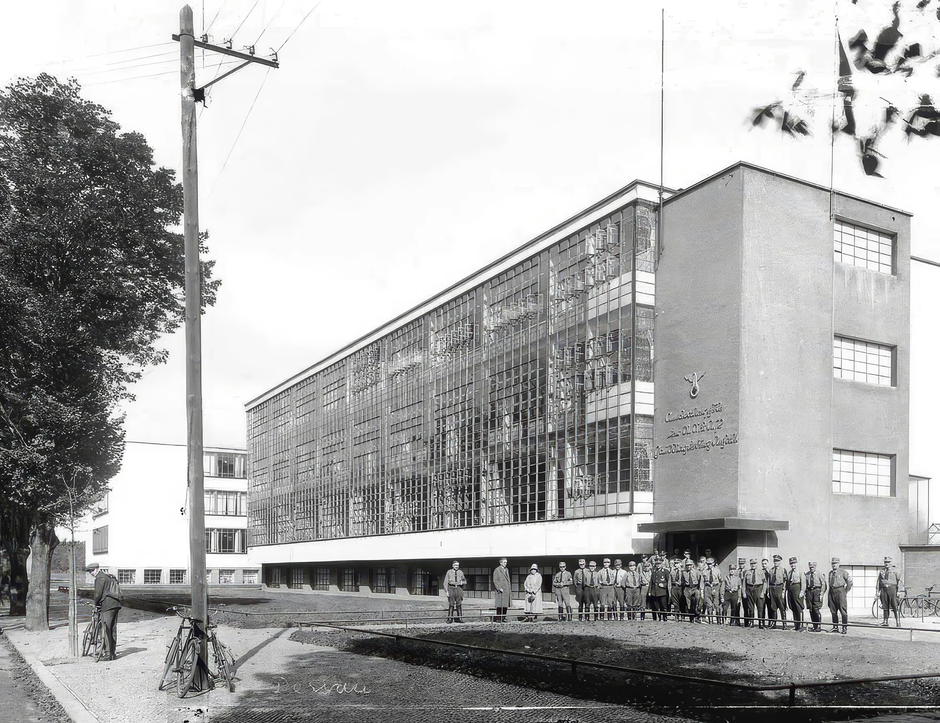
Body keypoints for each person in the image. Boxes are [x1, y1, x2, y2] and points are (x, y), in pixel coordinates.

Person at [88, 563, 121, 661]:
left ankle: (107, 654)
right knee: (112, 629)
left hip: (107, 605)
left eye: (92, 571)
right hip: (116, 604)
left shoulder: (100, 578)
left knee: (105, 629)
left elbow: (98, 594)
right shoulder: (109, 576)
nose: (91, 573)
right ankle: (112, 653)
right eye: (90, 572)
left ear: (97, 569)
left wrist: (95, 604)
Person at [828, 557, 853, 634]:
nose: (834, 565)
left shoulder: (843, 572)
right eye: (832, 563)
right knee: (833, 610)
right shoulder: (830, 573)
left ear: (839, 564)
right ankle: (835, 627)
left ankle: (844, 628)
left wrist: (845, 591)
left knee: (843, 610)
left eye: (835, 563)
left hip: (840, 591)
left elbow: (850, 582)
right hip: (832, 591)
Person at [876, 556, 901, 628]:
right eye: (885, 562)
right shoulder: (882, 571)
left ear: (891, 562)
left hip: (892, 589)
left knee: (895, 606)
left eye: (888, 562)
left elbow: (899, 581)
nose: (887, 564)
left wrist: (898, 591)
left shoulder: (896, 571)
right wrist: (878, 591)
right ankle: (885, 621)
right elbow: (879, 582)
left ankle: (898, 622)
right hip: (884, 589)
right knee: (885, 606)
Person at [804, 561, 827, 632]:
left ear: (815, 567)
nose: (811, 568)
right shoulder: (807, 574)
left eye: (813, 567)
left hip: (817, 591)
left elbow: (823, 584)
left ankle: (818, 626)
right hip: (809, 592)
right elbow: (805, 584)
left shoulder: (819, 574)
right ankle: (814, 626)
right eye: (810, 567)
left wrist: (822, 593)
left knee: (816, 609)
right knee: (811, 609)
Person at [766, 554, 788, 629]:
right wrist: (768, 591)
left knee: (782, 607)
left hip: (779, 588)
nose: (776, 562)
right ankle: (774, 624)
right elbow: (768, 582)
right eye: (775, 561)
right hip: (772, 588)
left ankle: (784, 624)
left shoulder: (783, 570)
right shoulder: (771, 570)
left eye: (777, 561)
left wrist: (783, 591)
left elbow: (785, 581)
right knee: (773, 607)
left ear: (780, 562)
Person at [744, 558, 766, 629]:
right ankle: (751, 623)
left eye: (754, 564)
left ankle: (760, 623)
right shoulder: (747, 572)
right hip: (749, 589)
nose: (753, 565)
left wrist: (763, 592)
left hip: (758, 588)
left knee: (760, 607)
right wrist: (744, 592)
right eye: (752, 564)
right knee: (750, 607)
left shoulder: (761, 572)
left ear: (756, 564)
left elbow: (764, 582)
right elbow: (744, 583)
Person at [648, 556, 671, 621]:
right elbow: (651, 582)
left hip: (662, 592)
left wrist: (663, 585)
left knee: (663, 606)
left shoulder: (665, 572)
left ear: (662, 564)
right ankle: (658, 617)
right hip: (654, 591)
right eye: (657, 564)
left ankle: (665, 617)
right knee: (655, 606)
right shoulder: (654, 572)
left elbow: (669, 582)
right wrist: (649, 591)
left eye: (659, 564)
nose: (658, 565)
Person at [785, 556, 805, 631]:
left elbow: (803, 583)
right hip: (791, 591)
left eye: (794, 563)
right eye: (791, 563)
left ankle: (801, 626)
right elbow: (787, 583)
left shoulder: (800, 572)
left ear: (796, 563)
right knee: (793, 607)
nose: (792, 565)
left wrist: (802, 592)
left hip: (797, 590)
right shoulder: (789, 572)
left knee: (799, 608)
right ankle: (796, 625)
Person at [702, 557, 723, 624]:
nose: (709, 565)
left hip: (715, 587)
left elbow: (721, 581)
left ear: (713, 563)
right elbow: (702, 581)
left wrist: (720, 591)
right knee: (709, 605)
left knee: (716, 605)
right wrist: (702, 590)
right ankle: (710, 620)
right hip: (707, 588)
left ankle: (718, 621)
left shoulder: (717, 571)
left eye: (710, 564)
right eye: (708, 564)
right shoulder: (704, 571)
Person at [492, 558, 511, 623]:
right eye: (504, 562)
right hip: (500, 591)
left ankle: (503, 618)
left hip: (506, 590)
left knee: (505, 605)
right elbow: (495, 580)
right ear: (500, 563)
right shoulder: (497, 570)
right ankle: (498, 618)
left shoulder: (506, 570)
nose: (505, 564)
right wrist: (499, 588)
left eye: (506, 562)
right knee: (500, 605)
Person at [638, 555, 652, 620]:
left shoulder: (651, 573)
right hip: (644, 587)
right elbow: (639, 581)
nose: (646, 568)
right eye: (645, 567)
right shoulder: (641, 573)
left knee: (653, 599)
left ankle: (654, 614)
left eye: (647, 567)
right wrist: (642, 583)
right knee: (642, 600)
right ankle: (642, 616)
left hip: (650, 587)